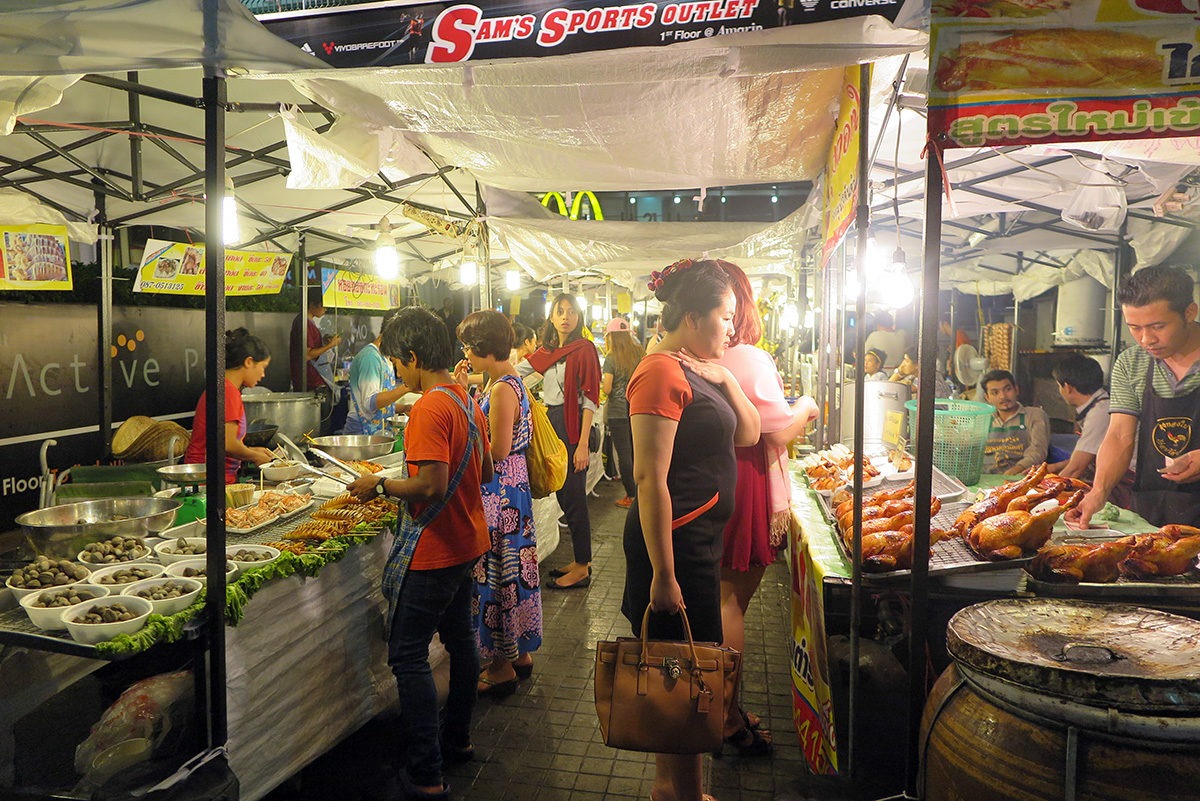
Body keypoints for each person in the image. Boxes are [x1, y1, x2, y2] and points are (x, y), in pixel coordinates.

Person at [623, 258, 760, 801]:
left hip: (698, 542)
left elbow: (749, 434)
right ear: (694, 317)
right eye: (725, 317)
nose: (732, 327)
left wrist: (725, 377)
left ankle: (675, 790)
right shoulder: (659, 371)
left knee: (679, 668)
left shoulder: (699, 371)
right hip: (674, 545)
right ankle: (681, 793)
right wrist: (663, 575)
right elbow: (648, 477)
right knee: (680, 669)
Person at [347, 307, 492, 801]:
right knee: (461, 643)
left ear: (412, 357)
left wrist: (380, 484)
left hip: (434, 549)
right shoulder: (466, 399)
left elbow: (428, 485)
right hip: (466, 541)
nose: (397, 373)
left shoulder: (431, 405)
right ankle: (458, 739)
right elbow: (487, 470)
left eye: (396, 364)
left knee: (408, 657)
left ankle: (426, 774)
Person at [714, 261, 818, 757]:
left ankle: (719, 708)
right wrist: (809, 406)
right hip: (745, 478)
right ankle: (726, 716)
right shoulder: (747, 357)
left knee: (719, 600)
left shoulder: (685, 355)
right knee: (731, 601)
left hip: (712, 479)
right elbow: (777, 430)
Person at [1070, 266, 1200, 529]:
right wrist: (1099, 491)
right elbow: (1119, 435)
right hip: (1155, 507)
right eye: (1135, 328)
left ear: (1189, 313)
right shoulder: (1132, 362)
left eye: (1158, 326)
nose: (1146, 339)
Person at [453, 311, 541, 697]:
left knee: (500, 573)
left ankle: (502, 665)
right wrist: (463, 387)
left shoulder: (504, 388)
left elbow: (498, 449)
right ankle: (518, 654)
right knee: (512, 570)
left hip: (501, 494)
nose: (466, 356)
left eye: (468, 348)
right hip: (509, 491)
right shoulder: (500, 381)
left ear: (481, 348)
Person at [520, 294, 601, 590]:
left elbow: (591, 398)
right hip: (554, 422)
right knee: (565, 495)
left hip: (573, 425)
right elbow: (519, 373)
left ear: (578, 317)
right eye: (560, 311)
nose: (566, 316)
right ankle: (581, 561)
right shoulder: (549, 351)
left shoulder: (585, 349)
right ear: (552, 318)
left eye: (571, 312)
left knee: (574, 497)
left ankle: (582, 567)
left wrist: (581, 444)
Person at [185, 328, 276, 484]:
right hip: (207, 481)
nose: (263, 375)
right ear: (248, 362)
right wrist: (254, 456)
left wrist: (252, 451)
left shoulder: (224, 387)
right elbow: (227, 444)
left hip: (215, 478)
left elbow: (228, 443)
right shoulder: (227, 391)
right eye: (263, 367)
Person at [343, 308, 411, 436]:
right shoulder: (370, 358)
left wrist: (402, 408)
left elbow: (381, 402)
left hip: (379, 431)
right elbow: (370, 403)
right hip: (361, 432)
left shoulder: (386, 358)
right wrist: (406, 388)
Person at [602, 317, 645, 508]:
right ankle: (642, 491)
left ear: (611, 336)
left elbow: (608, 388)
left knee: (624, 454)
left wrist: (601, 384)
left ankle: (631, 495)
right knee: (637, 452)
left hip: (618, 412)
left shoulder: (611, 358)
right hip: (637, 409)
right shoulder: (639, 353)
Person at [291, 287, 342, 435]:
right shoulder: (303, 324)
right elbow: (307, 355)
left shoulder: (309, 323)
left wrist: (324, 341)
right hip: (312, 384)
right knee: (319, 428)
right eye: (323, 305)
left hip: (317, 382)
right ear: (313, 304)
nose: (325, 309)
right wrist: (331, 345)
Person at [980, 369, 1050, 475]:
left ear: (1016, 390)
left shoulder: (1034, 415)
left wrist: (1017, 469)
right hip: (985, 477)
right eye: (995, 393)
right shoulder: (981, 419)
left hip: (1020, 477)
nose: (1003, 396)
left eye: (1007, 389)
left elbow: (1038, 451)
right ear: (987, 397)